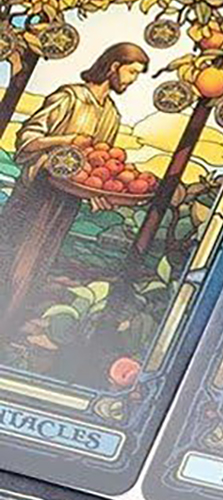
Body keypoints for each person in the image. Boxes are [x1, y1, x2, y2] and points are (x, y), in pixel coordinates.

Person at [0, 42, 149, 333]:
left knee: (36, 266)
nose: (133, 80)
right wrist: (67, 140)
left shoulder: (112, 115)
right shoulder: (69, 97)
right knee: (9, 255)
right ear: (114, 67)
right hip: (35, 193)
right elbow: (27, 139)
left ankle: (5, 329)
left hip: (67, 202)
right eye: (131, 72)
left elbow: (95, 168)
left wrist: (99, 195)